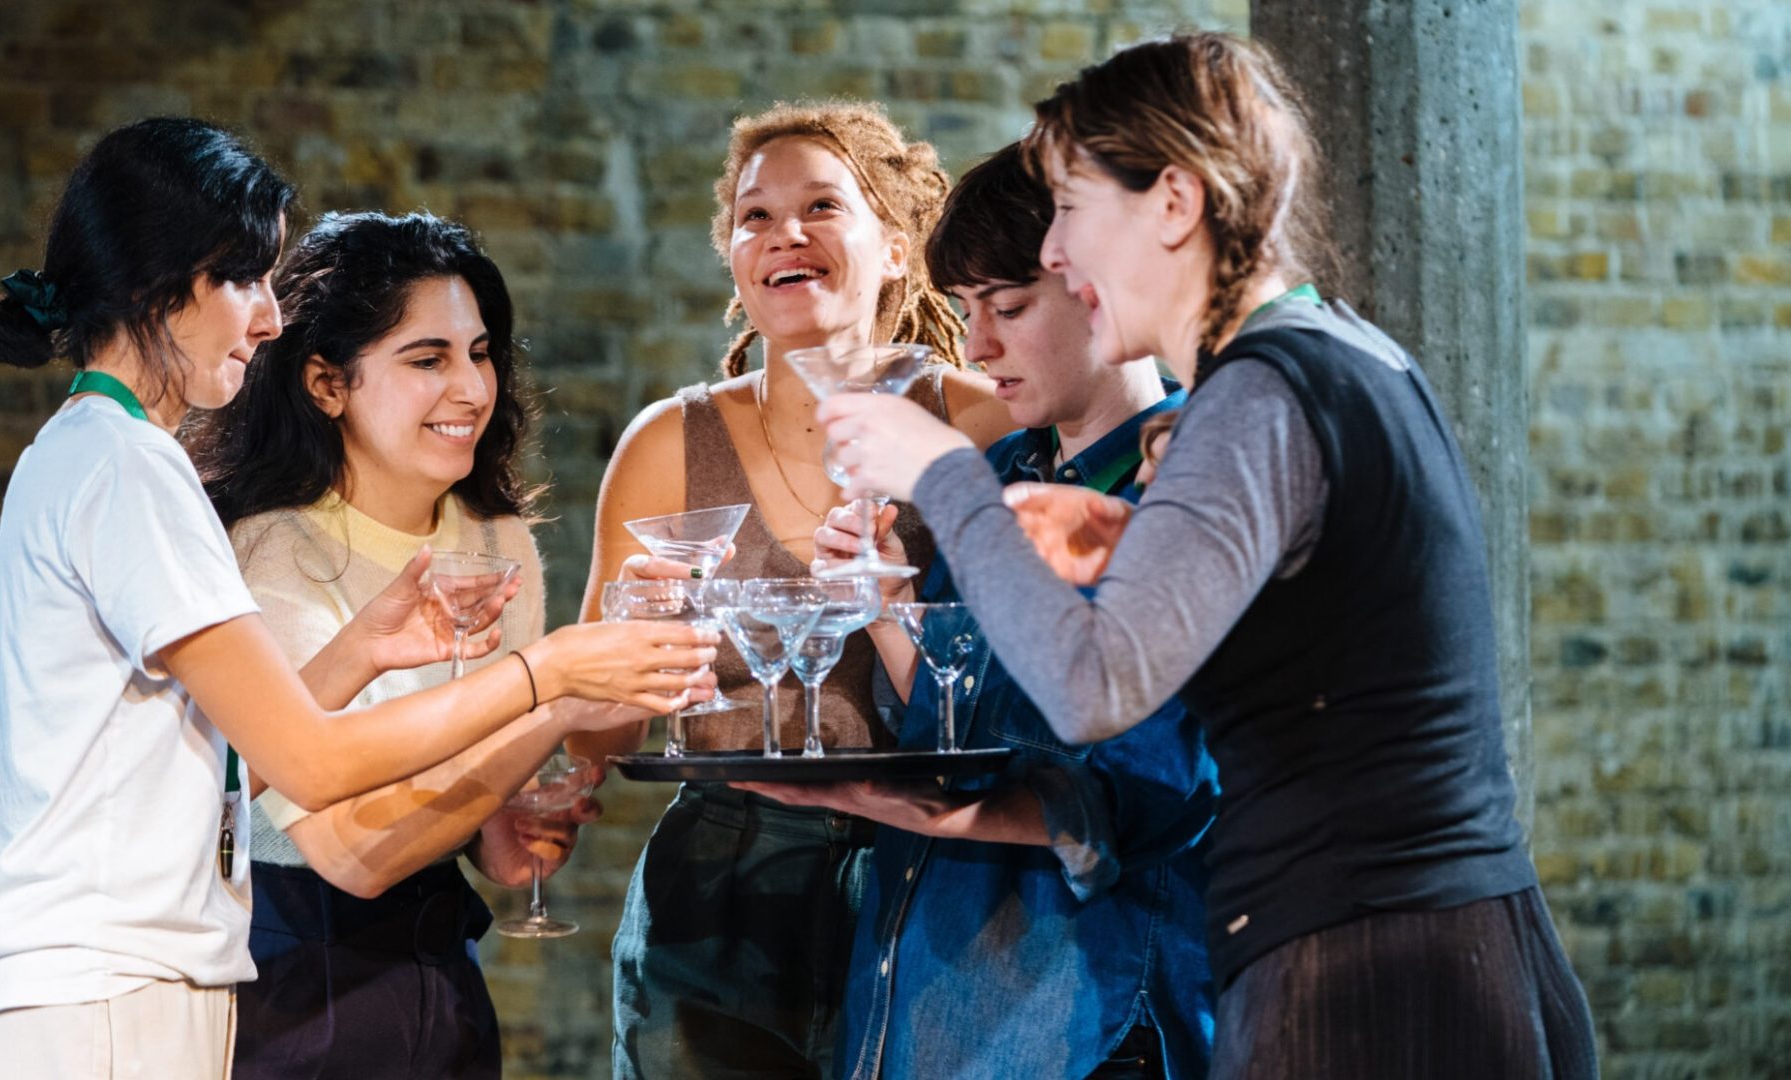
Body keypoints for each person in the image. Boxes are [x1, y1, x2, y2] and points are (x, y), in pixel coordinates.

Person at [813, 35, 1599, 1080]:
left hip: (1360, 974)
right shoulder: (1348, 349)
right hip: (1457, 945)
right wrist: (1131, 542)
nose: (1053, 253)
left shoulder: (1254, 395)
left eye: (1073, 207)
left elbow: (1094, 690)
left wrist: (947, 481)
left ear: (1174, 203)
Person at [0, 118, 717, 1080]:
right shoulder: (130, 467)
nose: (268, 319)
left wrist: (361, 651)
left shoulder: (93, 449)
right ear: (157, 288)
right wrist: (548, 672)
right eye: (246, 280)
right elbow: (310, 764)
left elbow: (222, 771)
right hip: (98, 999)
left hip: (110, 993)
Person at [747, 144, 1217, 1080]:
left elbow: (1150, 794)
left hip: (1082, 1017)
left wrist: (890, 801)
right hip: (925, 999)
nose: (977, 347)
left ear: (1099, 286)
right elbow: (961, 720)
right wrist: (890, 607)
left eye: (1006, 308)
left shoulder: (1189, 473)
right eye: (966, 313)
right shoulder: (999, 474)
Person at [572, 101, 1011, 1078]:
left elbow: (1029, 670)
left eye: (821, 206)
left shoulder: (979, 425)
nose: (785, 236)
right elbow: (594, 734)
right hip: (719, 887)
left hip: (934, 869)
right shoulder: (665, 446)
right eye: (755, 217)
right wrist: (626, 632)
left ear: (896, 249)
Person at [189, 210, 618, 1078]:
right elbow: (351, 855)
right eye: (427, 359)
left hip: (442, 979)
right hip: (291, 983)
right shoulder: (274, 552)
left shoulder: (499, 542)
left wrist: (511, 830)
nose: (470, 388)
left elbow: (476, 816)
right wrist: (559, 695)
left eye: (481, 352)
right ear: (326, 383)